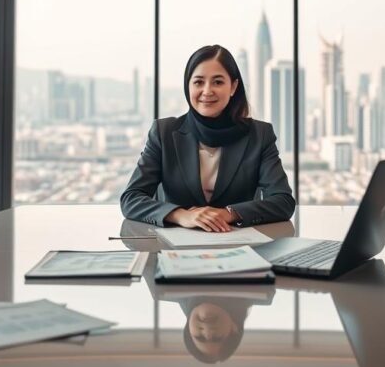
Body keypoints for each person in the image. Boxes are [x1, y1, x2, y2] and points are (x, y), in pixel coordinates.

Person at [120, 44, 295, 231]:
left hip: (238, 247)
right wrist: (181, 215)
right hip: (175, 250)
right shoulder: (164, 133)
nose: (207, 91)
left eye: (218, 82)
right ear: (188, 86)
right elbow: (131, 198)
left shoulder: (259, 135)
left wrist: (228, 213)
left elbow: (283, 201)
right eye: (198, 82)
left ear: (233, 87)